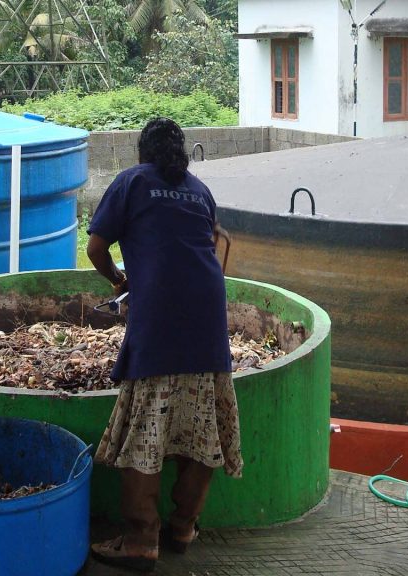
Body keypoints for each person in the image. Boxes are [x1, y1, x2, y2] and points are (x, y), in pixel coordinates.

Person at [86, 118, 243, 572]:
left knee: (147, 423)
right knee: (203, 420)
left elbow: (96, 246)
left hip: (159, 313)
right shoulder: (199, 189)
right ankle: (183, 527)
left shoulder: (133, 181)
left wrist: (120, 280)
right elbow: (209, 242)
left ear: (143, 152)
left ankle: (140, 540)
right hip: (208, 311)